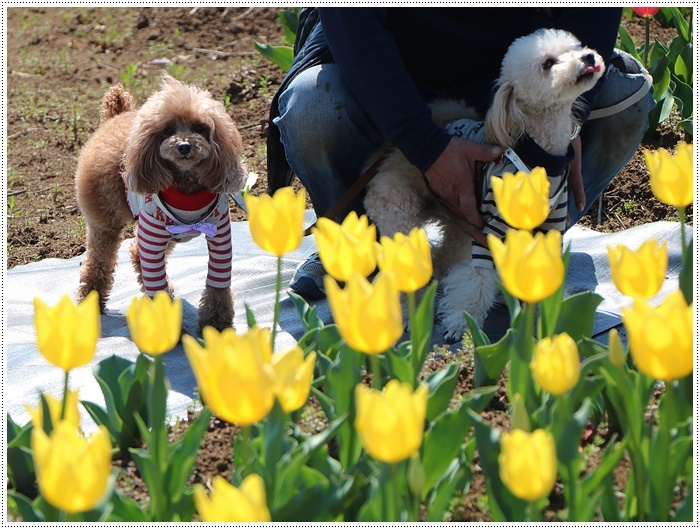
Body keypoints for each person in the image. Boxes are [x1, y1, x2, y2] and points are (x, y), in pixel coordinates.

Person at [266, 7, 655, 300]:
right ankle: (358, 247)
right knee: (312, 109)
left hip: (512, 80)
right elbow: (353, 22)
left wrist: (566, 117)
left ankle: (519, 244)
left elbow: (591, 15)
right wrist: (425, 146)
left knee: (627, 98)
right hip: (384, 77)